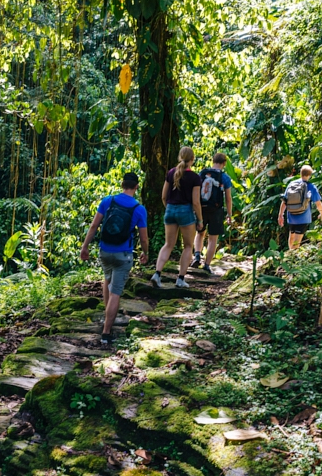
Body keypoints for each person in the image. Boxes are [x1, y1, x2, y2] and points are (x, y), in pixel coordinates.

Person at [80, 173, 149, 346]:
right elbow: (144, 238)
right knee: (116, 291)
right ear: (136, 187)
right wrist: (145, 252)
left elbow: (94, 226)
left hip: (105, 251)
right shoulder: (139, 209)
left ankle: (107, 315)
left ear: (122, 184)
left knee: (107, 279)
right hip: (123, 254)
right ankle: (106, 332)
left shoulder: (107, 201)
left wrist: (85, 246)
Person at [150, 146, 204, 289]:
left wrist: (169, 208)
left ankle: (157, 274)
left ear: (180, 157)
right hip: (186, 211)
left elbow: (163, 196)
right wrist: (200, 220)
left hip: (170, 209)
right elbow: (196, 202)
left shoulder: (171, 173)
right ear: (192, 160)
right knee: (188, 246)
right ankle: (180, 279)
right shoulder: (194, 177)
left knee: (168, 244)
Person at [190, 152, 233, 274]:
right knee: (213, 239)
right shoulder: (224, 178)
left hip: (201, 208)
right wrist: (229, 215)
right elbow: (228, 198)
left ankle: (197, 255)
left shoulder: (202, 174)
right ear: (224, 163)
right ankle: (207, 265)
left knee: (200, 233)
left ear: (213, 161)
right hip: (216, 211)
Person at [277, 164, 322, 250]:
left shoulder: (292, 184)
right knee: (297, 241)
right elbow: (318, 203)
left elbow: (284, 201)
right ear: (309, 175)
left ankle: (289, 255)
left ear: (300, 173)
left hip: (291, 216)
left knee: (292, 237)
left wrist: (280, 215)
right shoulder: (311, 186)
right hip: (303, 217)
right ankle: (291, 259)